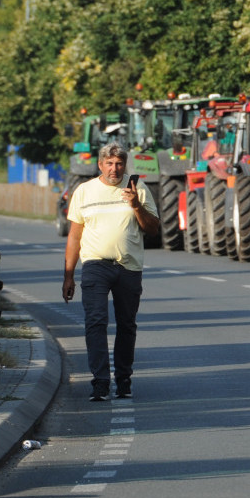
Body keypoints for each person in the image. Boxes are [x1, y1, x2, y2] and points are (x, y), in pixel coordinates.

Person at [62, 143, 160, 401]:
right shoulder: (84, 191)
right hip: (95, 265)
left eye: (119, 164)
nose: (114, 169)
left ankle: (123, 379)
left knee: (126, 325)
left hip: (129, 266)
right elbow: (74, 236)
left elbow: (153, 229)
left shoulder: (136, 188)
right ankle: (100, 382)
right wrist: (69, 275)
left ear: (125, 165)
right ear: (100, 165)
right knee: (95, 322)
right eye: (109, 164)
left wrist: (137, 205)